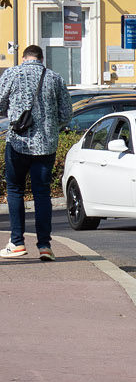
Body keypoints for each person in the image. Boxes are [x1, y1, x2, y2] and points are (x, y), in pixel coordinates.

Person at [1, 46, 72, 261]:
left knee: (14, 190)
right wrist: (50, 128)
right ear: (42, 58)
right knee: (42, 194)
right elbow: (67, 113)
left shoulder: (11, 74)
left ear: (24, 58)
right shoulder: (55, 77)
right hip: (46, 146)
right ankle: (44, 246)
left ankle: (17, 243)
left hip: (17, 143)